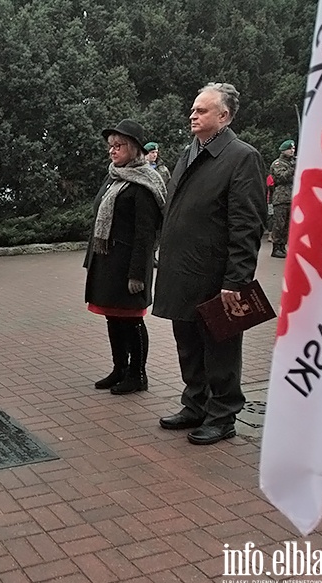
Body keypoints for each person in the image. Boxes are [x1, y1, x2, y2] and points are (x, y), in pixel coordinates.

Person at [154, 82, 267, 445]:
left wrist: (236, 280)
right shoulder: (189, 153)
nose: (193, 114)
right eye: (193, 108)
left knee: (220, 347)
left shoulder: (241, 157)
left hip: (217, 276)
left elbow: (247, 224)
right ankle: (195, 403)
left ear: (224, 116)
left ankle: (223, 415)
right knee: (187, 342)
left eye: (202, 110)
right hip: (182, 272)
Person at [84, 120, 165, 395]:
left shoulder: (144, 184)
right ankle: (119, 368)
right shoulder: (114, 176)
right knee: (113, 317)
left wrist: (137, 274)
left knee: (131, 320)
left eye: (119, 146)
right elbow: (99, 221)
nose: (113, 151)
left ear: (134, 149)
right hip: (107, 263)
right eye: (111, 146)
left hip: (128, 265)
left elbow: (146, 235)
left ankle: (137, 374)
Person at [269, 139, 296, 258]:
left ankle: (282, 246)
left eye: (293, 148)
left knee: (287, 226)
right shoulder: (278, 164)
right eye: (290, 149)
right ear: (284, 150)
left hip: (292, 197)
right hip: (281, 198)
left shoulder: (293, 162)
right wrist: (292, 168)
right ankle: (276, 247)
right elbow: (281, 178)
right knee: (279, 224)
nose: (292, 151)